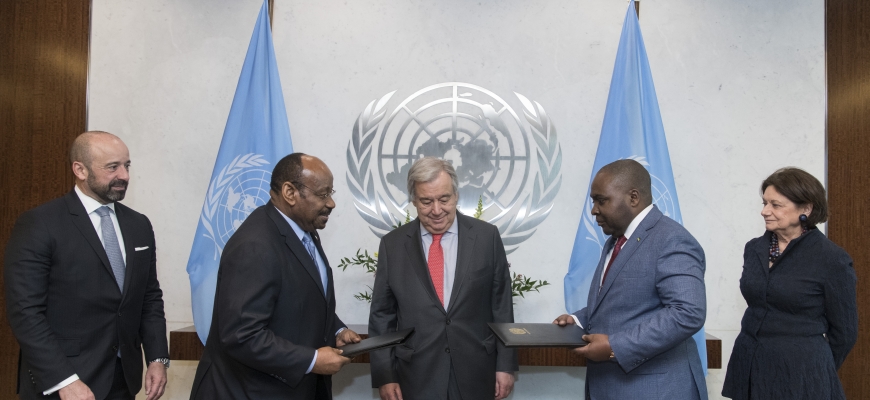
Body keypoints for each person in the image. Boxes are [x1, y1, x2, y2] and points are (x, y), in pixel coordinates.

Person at [4, 131, 169, 400]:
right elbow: (25, 312)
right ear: (80, 170)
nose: (124, 175)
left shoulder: (139, 225)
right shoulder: (40, 224)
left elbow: (149, 296)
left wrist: (157, 358)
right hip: (64, 382)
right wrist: (64, 380)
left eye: (127, 165)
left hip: (123, 379)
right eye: (112, 167)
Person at [189, 153, 360, 400]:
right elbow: (242, 335)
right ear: (290, 192)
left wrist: (336, 329)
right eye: (323, 194)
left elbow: (298, 296)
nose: (331, 203)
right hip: (249, 391)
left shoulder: (304, 229)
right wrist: (311, 360)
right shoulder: (255, 245)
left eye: (331, 193)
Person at [554, 159, 707, 400]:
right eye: (593, 201)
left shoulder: (672, 240)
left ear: (633, 197)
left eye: (601, 200)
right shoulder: (615, 240)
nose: (594, 210)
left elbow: (687, 312)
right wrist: (577, 319)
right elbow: (625, 301)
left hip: (655, 390)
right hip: (611, 386)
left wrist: (616, 346)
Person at [368, 157, 518, 400]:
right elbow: (382, 316)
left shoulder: (486, 237)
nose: (436, 210)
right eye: (426, 201)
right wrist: (385, 374)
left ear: (456, 195)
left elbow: (501, 306)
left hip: (477, 371)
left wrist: (506, 365)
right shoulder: (392, 245)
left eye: (444, 199)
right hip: (415, 375)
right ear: (413, 201)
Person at [722, 167, 857, 400]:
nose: (765, 211)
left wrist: (817, 368)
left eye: (776, 205)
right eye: (764, 203)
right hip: (749, 366)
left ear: (806, 208)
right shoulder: (754, 248)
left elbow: (845, 332)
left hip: (801, 375)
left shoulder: (831, 259)